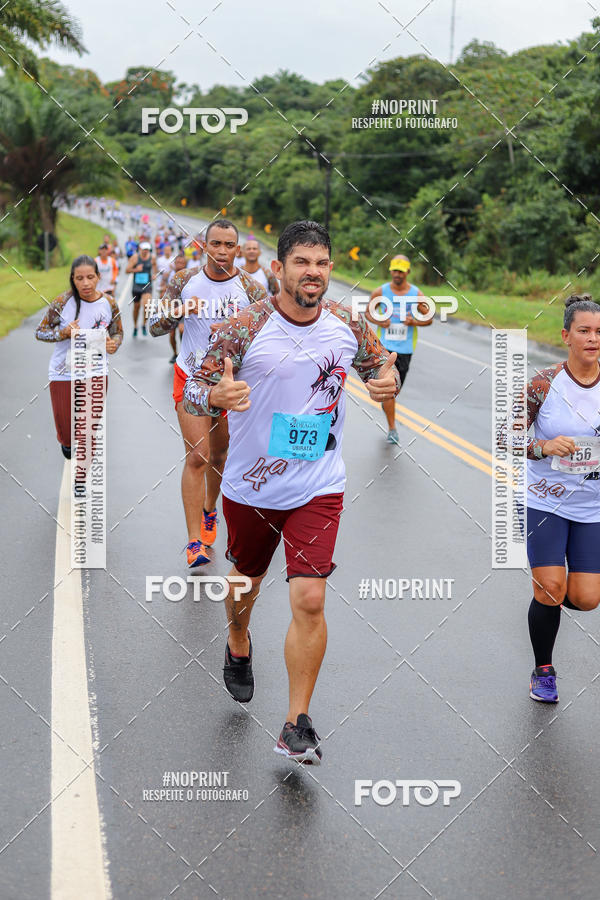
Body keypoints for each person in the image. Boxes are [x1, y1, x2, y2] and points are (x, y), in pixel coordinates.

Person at [183, 220, 400, 764]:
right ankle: (238, 643)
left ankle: (295, 723)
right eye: (302, 262)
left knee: (310, 596)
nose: (313, 272)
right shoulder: (245, 325)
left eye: (322, 263)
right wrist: (217, 394)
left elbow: (383, 372)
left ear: (331, 270)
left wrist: (387, 384)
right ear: (279, 269)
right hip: (253, 485)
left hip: (319, 484)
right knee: (245, 583)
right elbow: (192, 390)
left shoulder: (348, 324)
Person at [148, 219, 267, 567]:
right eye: (216, 244)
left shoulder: (251, 288)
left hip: (228, 383)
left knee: (219, 457)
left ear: (237, 249)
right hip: (190, 376)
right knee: (197, 457)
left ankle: (209, 510)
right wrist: (180, 312)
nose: (222, 251)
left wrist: (237, 330)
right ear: (205, 246)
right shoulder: (184, 281)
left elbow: (270, 334)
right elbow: (155, 326)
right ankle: (194, 543)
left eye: (229, 245)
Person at [515, 294, 600, 704]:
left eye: (599, 332)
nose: (592, 338)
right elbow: (507, 437)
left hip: (592, 509)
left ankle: (547, 596)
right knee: (549, 587)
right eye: (584, 331)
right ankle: (543, 670)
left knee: (586, 597)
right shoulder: (543, 384)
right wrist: (544, 447)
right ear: (566, 336)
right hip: (545, 501)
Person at [35, 255, 123, 458]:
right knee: (67, 433)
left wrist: (114, 344)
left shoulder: (109, 303)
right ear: (72, 279)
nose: (85, 283)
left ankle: (82, 481)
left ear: (98, 277)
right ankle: (66, 444)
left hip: (96, 371)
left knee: (88, 432)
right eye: (79, 278)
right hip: (63, 373)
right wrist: (63, 333)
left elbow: (118, 332)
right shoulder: (62, 302)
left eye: (90, 277)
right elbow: (39, 332)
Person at [365, 255, 433, 444]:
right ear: (391, 271)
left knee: (394, 391)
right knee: (390, 389)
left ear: (407, 272)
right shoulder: (381, 291)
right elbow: (368, 313)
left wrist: (415, 321)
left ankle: (388, 406)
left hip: (405, 350)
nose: (397, 274)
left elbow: (429, 318)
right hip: (385, 349)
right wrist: (380, 320)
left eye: (401, 271)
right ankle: (392, 429)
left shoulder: (417, 294)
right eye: (395, 270)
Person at [126, 241, 156, 336]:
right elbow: (127, 270)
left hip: (147, 285)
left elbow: (155, 268)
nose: (145, 252)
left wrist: (154, 274)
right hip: (137, 286)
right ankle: (135, 326)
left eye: (147, 250)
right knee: (136, 307)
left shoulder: (152, 258)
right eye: (144, 250)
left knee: (147, 305)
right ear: (140, 249)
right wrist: (136, 270)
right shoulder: (135, 258)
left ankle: (143, 324)